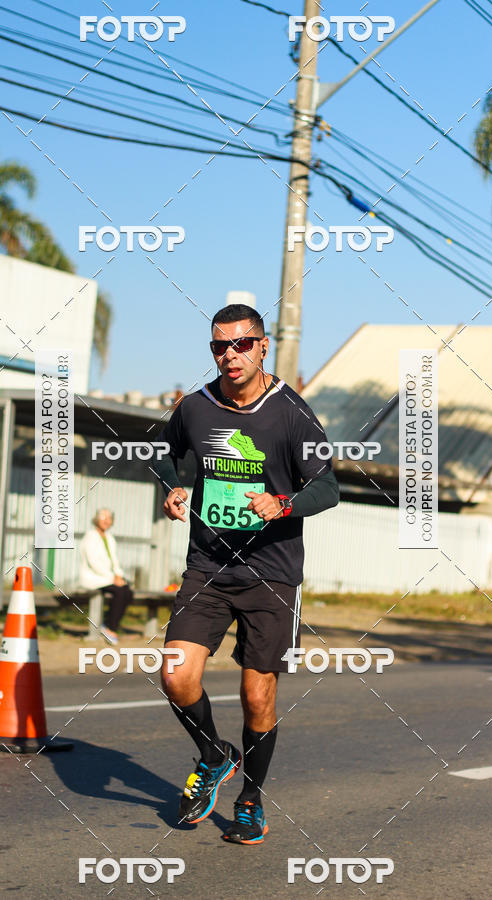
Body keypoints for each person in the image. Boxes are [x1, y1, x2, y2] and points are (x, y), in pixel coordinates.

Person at [155, 303, 340, 845]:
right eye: (219, 346)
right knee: (174, 674)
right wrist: (171, 486)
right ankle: (214, 755)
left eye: (241, 344)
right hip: (208, 565)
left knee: (257, 697)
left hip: (272, 574)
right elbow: (164, 456)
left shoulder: (291, 413)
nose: (229, 355)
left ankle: (252, 799)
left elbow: (328, 487)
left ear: (263, 347)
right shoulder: (195, 408)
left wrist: (282, 504)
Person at [78, 508, 132, 644]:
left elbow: (114, 561)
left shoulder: (110, 538)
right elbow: (93, 562)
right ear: (96, 519)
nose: (106, 521)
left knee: (128, 591)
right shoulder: (90, 536)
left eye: (109, 518)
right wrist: (112, 578)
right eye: (103, 517)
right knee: (120, 592)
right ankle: (110, 629)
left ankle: (108, 624)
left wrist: (119, 575)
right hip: (94, 578)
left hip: (107, 578)